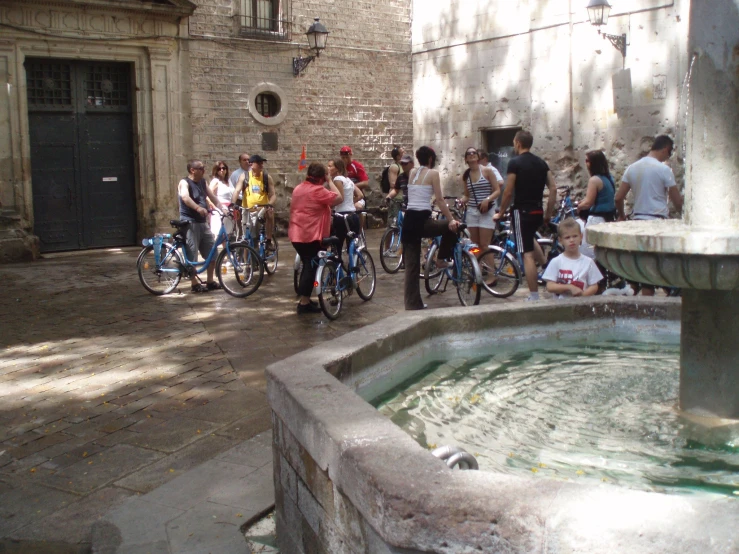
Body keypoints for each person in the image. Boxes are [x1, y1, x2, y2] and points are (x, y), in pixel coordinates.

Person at [615, 135, 684, 295]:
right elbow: (677, 202)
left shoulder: (632, 168)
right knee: (654, 274)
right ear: (666, 149)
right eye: (669, 153)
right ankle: (650, 313)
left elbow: (618, 198)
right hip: (657, 225)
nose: (668, 157)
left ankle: (635, 311)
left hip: (638, 223)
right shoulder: (664, 170)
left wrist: (621, 216)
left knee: (641, 274)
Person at [496, 130, 556, 301]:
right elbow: (553, 189)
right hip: (537, 211)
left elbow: (508, 192)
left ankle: (534, 295)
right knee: (530, 239)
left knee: (526, 253)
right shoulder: (542, 163)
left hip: (521, 212)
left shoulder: (514, 163)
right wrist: (548, 213)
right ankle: (546, 266)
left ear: (517, 143)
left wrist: (500, 213)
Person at [402, 146, 461, 310]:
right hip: (422, 221)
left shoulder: (412, 173)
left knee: (411, 267)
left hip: (408, 222)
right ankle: (441, 259)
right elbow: (440, 200)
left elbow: (417, 196)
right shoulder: (433, 174)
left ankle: (412, 304)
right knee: (449, 228)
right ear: (430, 159)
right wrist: (451, 220)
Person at [289, 162, 343, 314]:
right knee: (310, 267)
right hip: (310, 236)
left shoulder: (298, 188)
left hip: (296, 235)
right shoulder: (318, 191)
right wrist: (331, 181)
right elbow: (339, 198)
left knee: (307, 264)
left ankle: (304, 299)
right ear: (322, 178)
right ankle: (304, 303)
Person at [178, 160, 224, 293]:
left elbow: (213, 197)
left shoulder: (203, 182)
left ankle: (210, 281)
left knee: (212, 251)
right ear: (192, 170)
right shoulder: (184, 182)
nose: (204, 171)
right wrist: (198, 208)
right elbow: (185, 198)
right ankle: (194, 283)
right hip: (190, 222)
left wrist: (223, 209)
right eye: (201, 168)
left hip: (203, 222)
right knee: (192, 254)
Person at [542, 217, 603, 298]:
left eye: (575, 236)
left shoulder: (589, 262)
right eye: (567, 237)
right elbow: (550, 286)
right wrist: (569, 287)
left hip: (581, 305)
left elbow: (594, 286)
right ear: (560, 240)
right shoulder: (556, 261)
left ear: (581, 237)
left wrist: (583, 295)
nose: (572, 240)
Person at [459, 147, 500, 257]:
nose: (472, 154)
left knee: (485, 245)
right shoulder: (466, 175)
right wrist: (461, 201)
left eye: (474, 152)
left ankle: (491, 274)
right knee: (475, 245)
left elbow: (497, 190)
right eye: (469, 153)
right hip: (472, 211)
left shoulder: (487, 171)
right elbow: (467, 195)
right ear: (466, 159)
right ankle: (478, 270)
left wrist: (487, 200)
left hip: (487, 211)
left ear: (477, 156)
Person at [577, 150, 617, 258]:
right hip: (609, 218)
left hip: (596, 219)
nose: (586, 163)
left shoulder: (594, 180)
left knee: (588, 252)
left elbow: (589, 202)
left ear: (593, 163)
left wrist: (579, 206)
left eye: (587, 161)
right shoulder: (609, 178)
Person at [231, 154, 276, 247]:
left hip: (262, 209)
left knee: (270, 213)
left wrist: (269, 205)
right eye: (259, 163)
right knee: (248, 238)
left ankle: (268, 241)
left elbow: (273, 195)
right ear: (251, 164)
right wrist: (232, 204)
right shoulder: (244, 176)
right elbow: (237, 191)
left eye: (262, 163)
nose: (261, 165)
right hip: (248, 210)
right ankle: (247, 259)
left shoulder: (266, 177)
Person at [327, 158, 363, 267]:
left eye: (330, 166)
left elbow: (340, 198)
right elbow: (360, 195)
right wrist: (350, 203)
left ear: (337, 168)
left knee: (336, 247)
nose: (327, 168)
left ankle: (334, 276)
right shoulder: (348, 180)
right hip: (352, 215)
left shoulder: (337, 179)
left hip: (342, 216)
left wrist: (327, 206)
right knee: (351, 246)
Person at [208, 161, 235, 237]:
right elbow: (208, 196)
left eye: (224, 168)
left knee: (228, 233)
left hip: (229, 209)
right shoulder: (215, 181)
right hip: (220, 210)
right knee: (220, 234)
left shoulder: (229, 181)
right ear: (216, 170)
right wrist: (214, 207)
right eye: (219, 169)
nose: (222, 170)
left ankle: (225, 249)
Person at [385, 145, 405, 226]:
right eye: (403, 152)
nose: (405, 153)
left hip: (403, 199)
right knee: (393, 223)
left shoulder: (404, 166)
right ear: (398, 156)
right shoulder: (394, 167)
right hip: (396, 199)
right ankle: (389, 238)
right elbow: (393, 184)